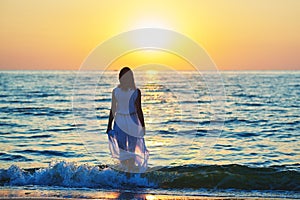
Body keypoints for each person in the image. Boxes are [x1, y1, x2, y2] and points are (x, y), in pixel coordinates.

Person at [106, 67, 148, 173]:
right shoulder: (135, 91)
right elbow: (139, 110)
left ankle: (124, 174)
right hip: (131, 121)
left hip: (120, 121)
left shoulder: (117, 91)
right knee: (131, 150)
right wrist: (142, 126)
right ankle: (131, 174)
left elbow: (113, 109)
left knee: (122, 150)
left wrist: (109, 125)